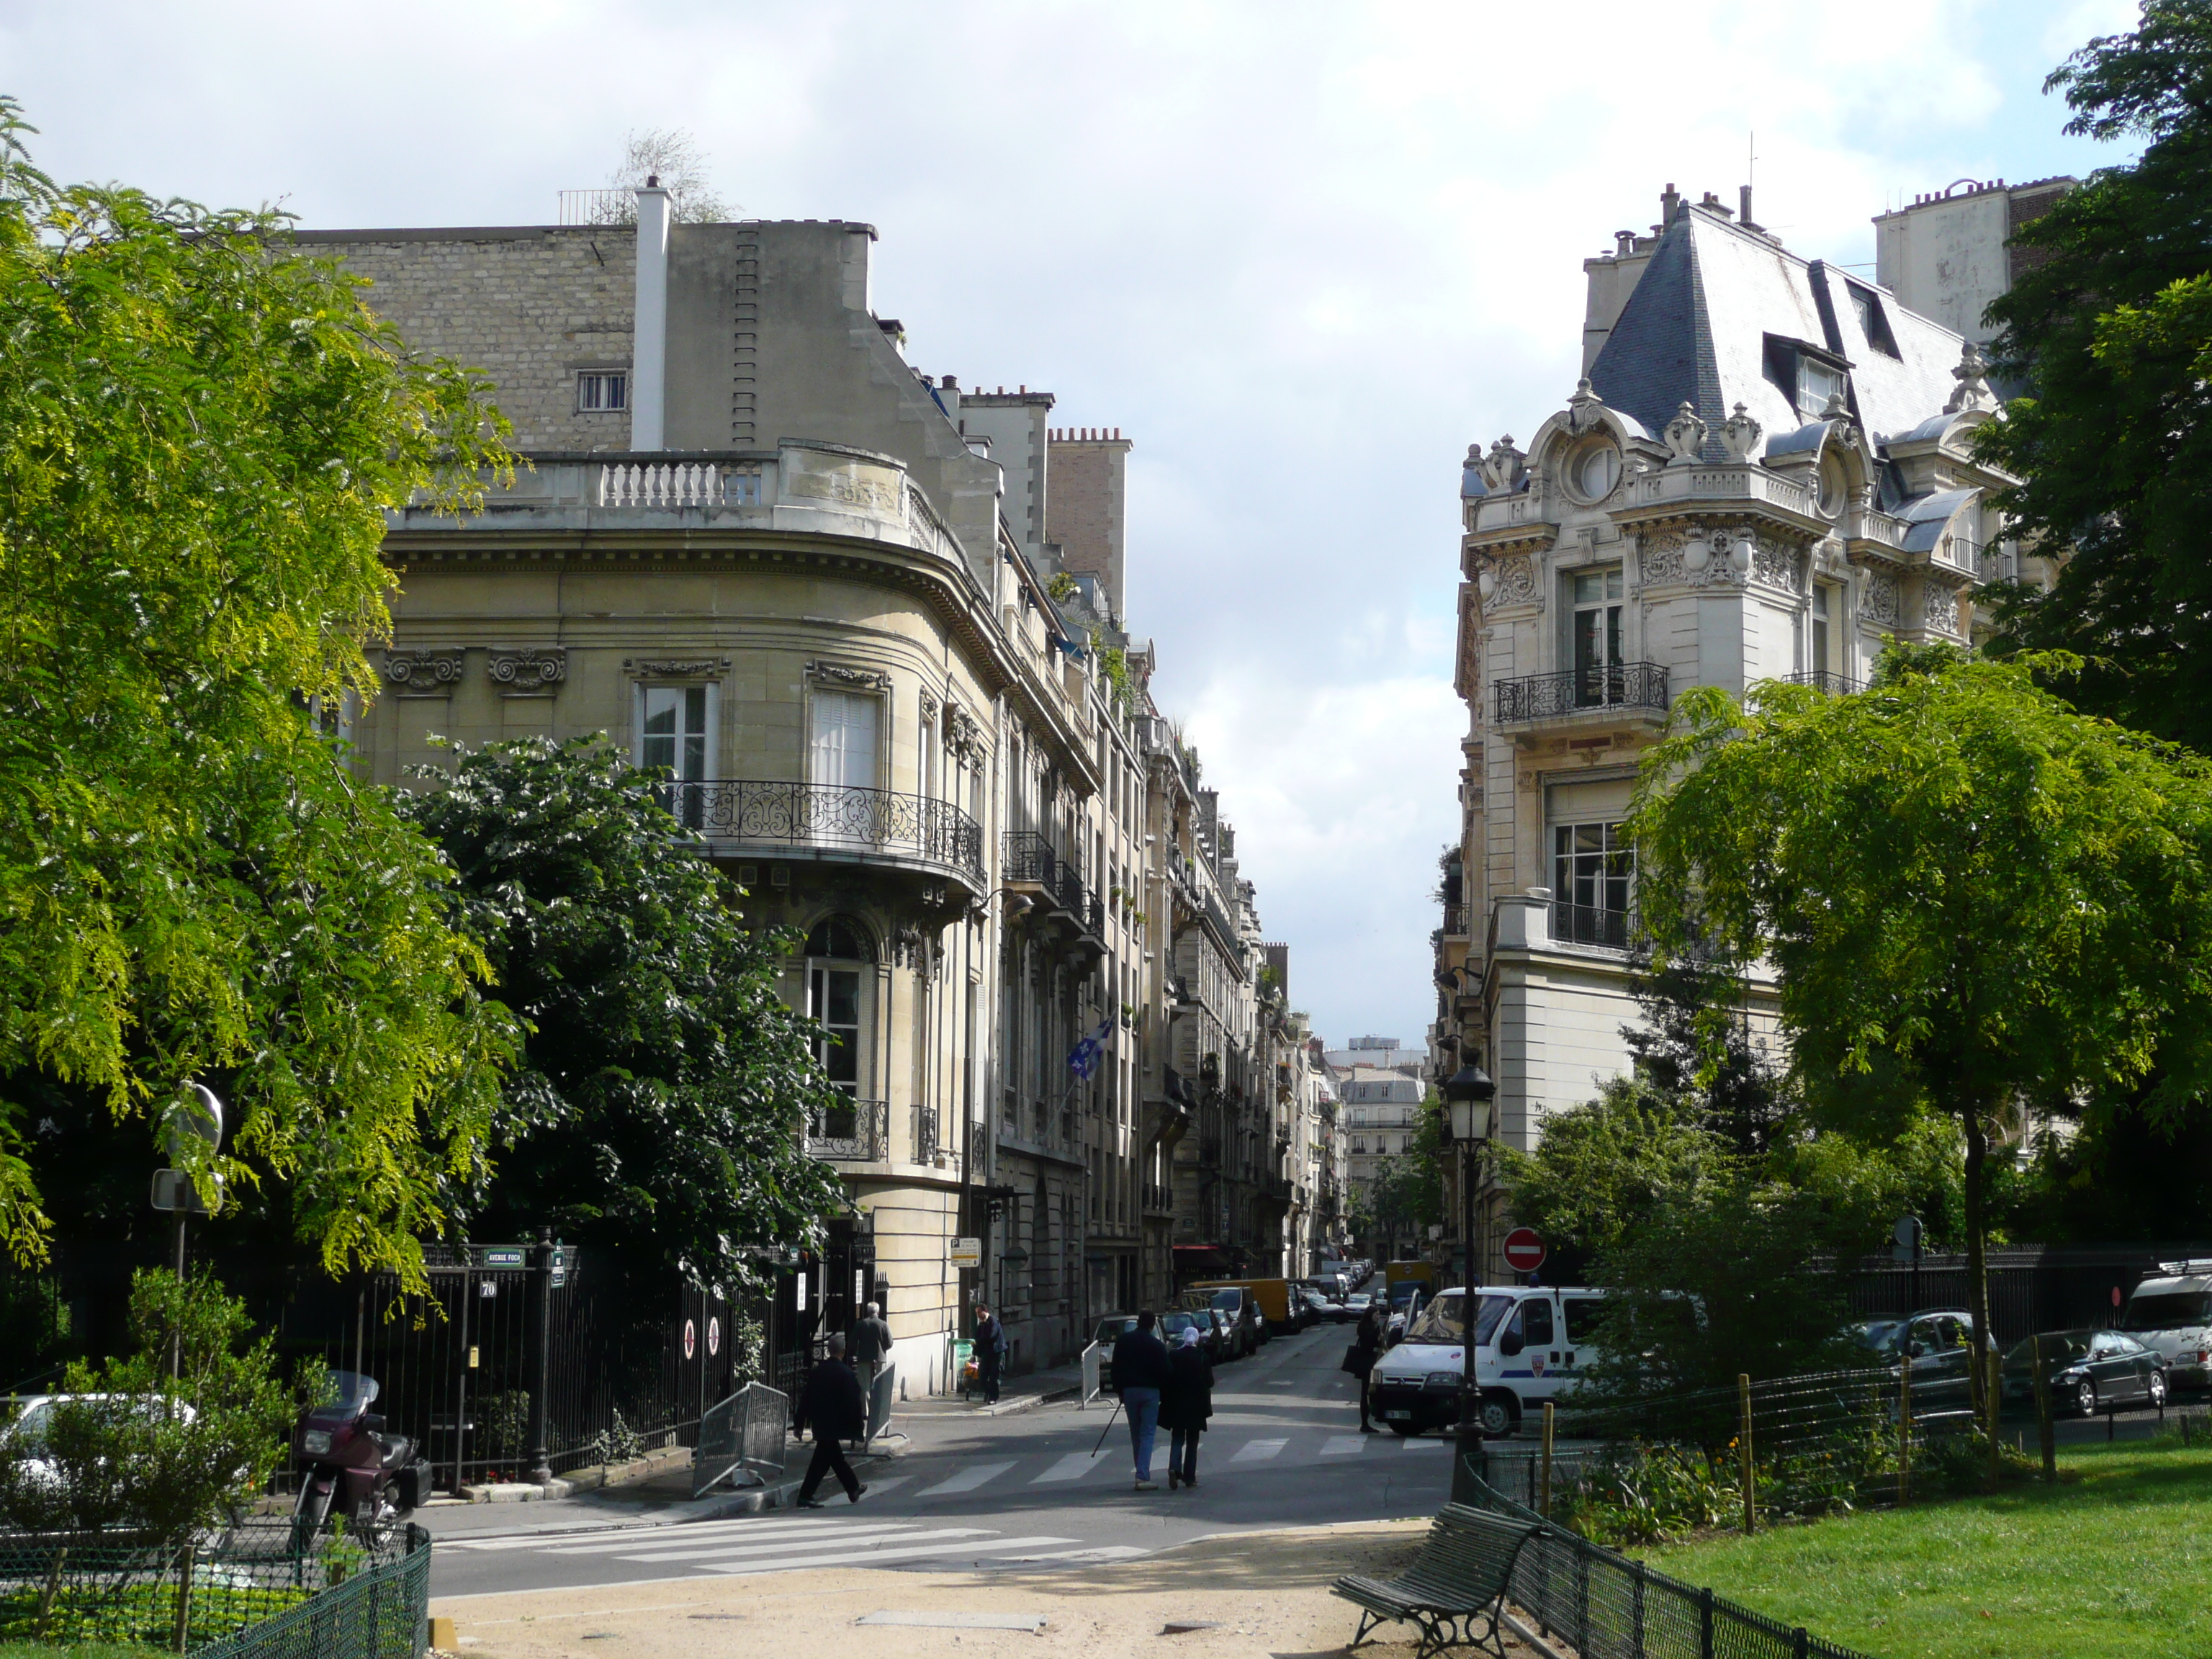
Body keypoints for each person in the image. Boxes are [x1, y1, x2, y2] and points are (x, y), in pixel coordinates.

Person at [791, 1332, 868, 1508]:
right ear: (843, 1351)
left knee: (829, 1458)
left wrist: (799, 1424)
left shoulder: (817, 1372)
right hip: (836, 1424)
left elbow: (806, 1399)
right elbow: (853, 1402)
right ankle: (806, 1495)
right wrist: (858, 1425)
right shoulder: (846, 1373)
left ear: (829, 1350)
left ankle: (852, 1488)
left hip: (820, 1423)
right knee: (828, 1458)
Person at [1110, 1310, 1172, 1491]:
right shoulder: (1157, 1345)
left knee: (1135, 1433)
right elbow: (1166, 1372)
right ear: (1152, 1325)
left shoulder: (1123, 1341)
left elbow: (1116, 1368)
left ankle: (1140, 1471)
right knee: (1148, 1433)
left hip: (1129, 1391)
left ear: (1138, 1322)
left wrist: (1119, 1391)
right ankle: (1142, 1475)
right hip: (1150, 1392)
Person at [1159, 1323, 1215, 1491]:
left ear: (1184, 1338)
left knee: (1177, 1438)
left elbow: (1167, 1378)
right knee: (1192, 1441)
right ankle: (1189, 1477)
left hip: (1177, 1404)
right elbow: (1210, 1382)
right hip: (1197, 1406)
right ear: (1197, 1339)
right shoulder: (1202, 1357)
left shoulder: (1174, 1356)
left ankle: (1174, 1467)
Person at [850, 1300, 894, 1437]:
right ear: (878, 1312)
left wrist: (856, 1352)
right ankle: (879, 1411)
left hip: (864, 1357)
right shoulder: (883, 1324)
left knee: (865, 1385)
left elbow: (853, 1341)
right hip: (880, 1357)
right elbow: (890, 1342)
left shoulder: (861, 1324)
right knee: (880, 1385)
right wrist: (883, 1349)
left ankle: (867, 1411)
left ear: (867, 1311)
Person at [1348, 1300, 1387, 1432]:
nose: (1378, 1317)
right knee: (1368, 1393)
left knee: (1365, 1394)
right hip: (1368, 1362)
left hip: (1363, 1362)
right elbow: (1373, 1344)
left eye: (1379, 1314)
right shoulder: (1372, 1329)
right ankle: (1366, 1423)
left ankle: (1365, 1422)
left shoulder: (1363, 1327)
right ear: (1370, 1315)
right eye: (1376, 1314)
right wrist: (1379, 1338)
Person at [974, 1304, 1008, 1406]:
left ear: (985, 1311)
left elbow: (991, 1336)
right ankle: (988, 1393)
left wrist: (980, 1340)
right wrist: (975, 1354)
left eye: (980, 1312)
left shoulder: (993, 1321)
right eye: (977, 1313)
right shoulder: (981, 1325)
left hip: (997, 1352)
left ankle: (993, 1398)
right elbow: (978, 1340)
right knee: (982, 1375)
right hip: (987, 1353)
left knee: (994, 1376)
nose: (978, 1315)